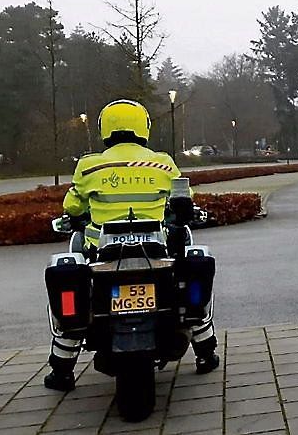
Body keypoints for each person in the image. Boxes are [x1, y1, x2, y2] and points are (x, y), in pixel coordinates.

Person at [44, 100, 219, 392]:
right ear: (143, 127)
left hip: (103, 252)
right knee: (187, 281)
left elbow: (73, 206)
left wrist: (75, 215)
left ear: (105, 128)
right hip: (155, 250)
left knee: (75, 285)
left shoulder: (89, 165)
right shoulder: (162, 162)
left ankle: (62, 371)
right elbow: (183, 198)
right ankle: (205, 353)